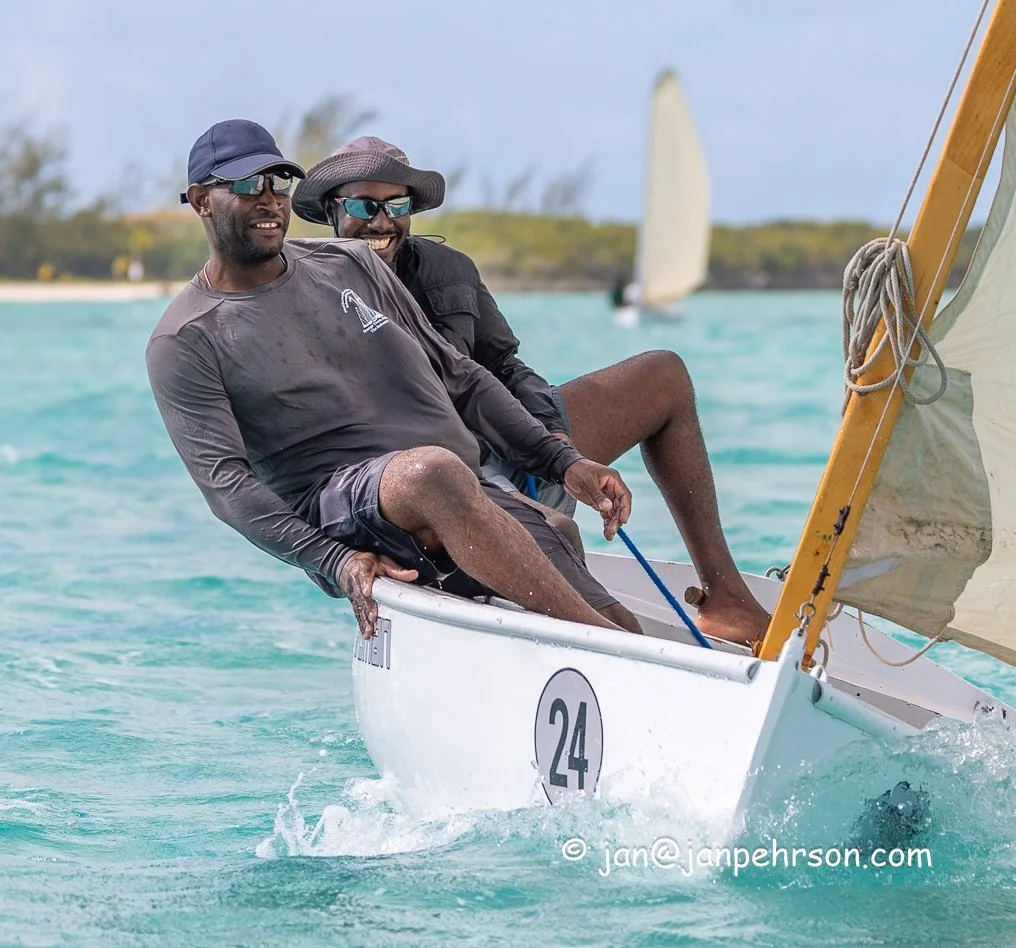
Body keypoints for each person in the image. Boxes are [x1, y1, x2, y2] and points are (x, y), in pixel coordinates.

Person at [147, 119, 641, 639]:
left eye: (279, 184)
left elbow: (459, 375)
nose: (270, 201)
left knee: (563, 535)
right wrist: (334, 561)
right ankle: (604, 644)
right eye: (248, 186)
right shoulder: (185, 339)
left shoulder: (351, 264)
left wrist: (563, 463)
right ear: (202, 200)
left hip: (451, 489)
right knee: (433, 470)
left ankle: (615, 641)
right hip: (342, 500)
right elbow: (228, 488)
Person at [292, 137, 771, 647]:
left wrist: (555, 445)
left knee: (663, 374)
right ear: (331, 212)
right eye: (365, 206)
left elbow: (504, 364)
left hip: (512, 443)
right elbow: (301, 458)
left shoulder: (451, 269)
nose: (382, 222)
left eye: (397, 206)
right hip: (438, 483)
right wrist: (337, 558)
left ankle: (727, 599)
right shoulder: (305, 295)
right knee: (562, 545)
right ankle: (580, 630)